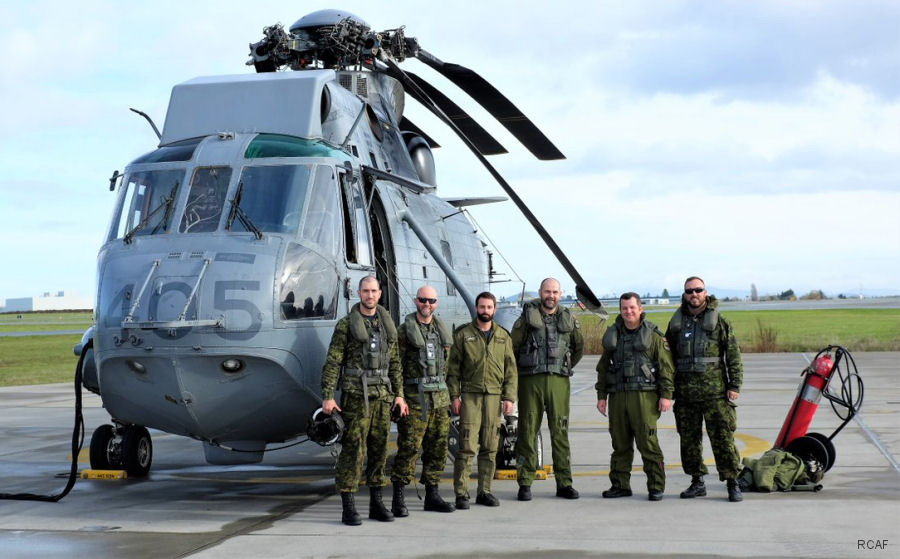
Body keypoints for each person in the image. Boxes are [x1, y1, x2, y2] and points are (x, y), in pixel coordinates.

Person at [320, 276, 409, 526]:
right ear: (359, 293)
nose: (370, 296)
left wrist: (399, 394)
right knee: (354, 451)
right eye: (366, 291)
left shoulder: (386, 325)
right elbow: (333, 361)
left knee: (380, 450)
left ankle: (376, 503)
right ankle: (348, 507)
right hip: (356, 397)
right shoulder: (346, 325)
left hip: (382, 397)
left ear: (380, 294)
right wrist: (327, 395)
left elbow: (395, 364)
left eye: (374, 291)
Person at [665, 276, 744, 502]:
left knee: (723, 439)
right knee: (689, 441)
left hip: (715, 393)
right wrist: (668, 390)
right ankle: (697, 482)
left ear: (705, 292)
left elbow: (733, 355)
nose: (694, 294)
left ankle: (732, 481)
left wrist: (734, 385)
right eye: (689, 291)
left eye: (698, 290)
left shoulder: (719, 322)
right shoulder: (677, 322)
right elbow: (667, 357)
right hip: (685, 393)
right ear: (684, 294)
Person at [510, 278, 584, 501]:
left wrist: (564, 366)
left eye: (555, 292)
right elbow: (512, 347)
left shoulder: (568, 319)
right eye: (547, 291)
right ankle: (525, 482)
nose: (551, 296)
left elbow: (578, 347)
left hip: (558, 382)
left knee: (560, 432)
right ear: (540, 292)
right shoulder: (526, 319)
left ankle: (564, 482)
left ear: (560, 294)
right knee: (527, 431)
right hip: (530, 381)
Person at [595, 292, 674, 501]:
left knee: (647, 443)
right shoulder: (613, 336)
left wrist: (666, 395)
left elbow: (666, 368)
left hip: (644, 397)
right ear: (620, 310)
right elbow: (603, 369)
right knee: (619, 444)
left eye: (632, 308)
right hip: (618, 397)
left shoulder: (654, 336)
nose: (628, 312)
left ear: (640, 308)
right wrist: (601, 396)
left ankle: (656, 485)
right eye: (624, 308)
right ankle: (620, 485)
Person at [446, 291, 517, 509]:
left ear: (494, 309)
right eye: (482, 307)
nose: (485, 311)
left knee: (490, 446)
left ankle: (484, 491)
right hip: (470, 396)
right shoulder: (463, 334)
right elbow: (453, 369)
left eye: (489, 307)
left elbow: (511, 370)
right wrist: (455, 396)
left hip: (494, 397)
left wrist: (509, 397)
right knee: (466, 446)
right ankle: (461, 493)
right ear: (476, 308)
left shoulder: (503, 337)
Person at [390, 285, 456, 516]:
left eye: (431, 300)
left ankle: (432, 494)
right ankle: (398, 497)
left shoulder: (440, 331)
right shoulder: (403, 332)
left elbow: (448, 367)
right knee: (409, 448)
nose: (426, 304)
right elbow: (395, 366)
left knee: (438, 448)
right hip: (415, 398)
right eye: (422, 300)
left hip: (440, 399)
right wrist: (399, 396)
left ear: (436, 303)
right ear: (416, 301)